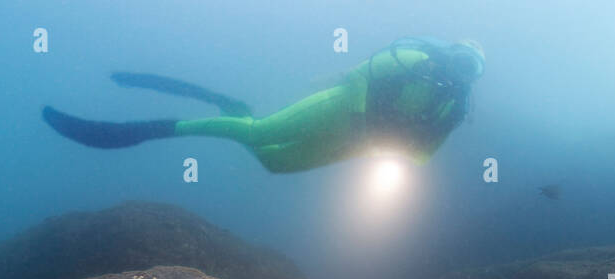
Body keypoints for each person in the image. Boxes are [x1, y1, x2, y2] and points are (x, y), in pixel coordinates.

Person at [43, 38, 485, 173]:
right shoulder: (415, 61)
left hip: (357, 146)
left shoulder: (454, 106)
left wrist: (385, 153)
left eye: (472, 70)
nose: (462, 72)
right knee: (258, 133)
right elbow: (358, 77)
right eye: (462, 61)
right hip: (338, 110)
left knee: (275, 165)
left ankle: (233, 109)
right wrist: (357, 122)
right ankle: (150, 130)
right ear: (450, 53)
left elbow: (424, 154)